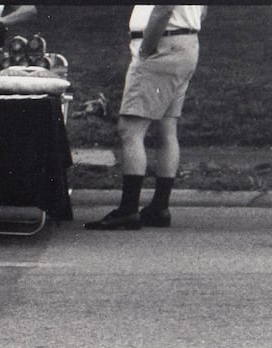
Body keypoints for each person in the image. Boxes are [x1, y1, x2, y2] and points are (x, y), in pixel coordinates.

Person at [86, 5, 206, 231]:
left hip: (161, 45)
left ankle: (128, 210)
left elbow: (163, 9)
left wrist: (145, 50)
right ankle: (159, 208)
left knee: (130, 130)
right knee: (167, 128)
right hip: (184, 43)